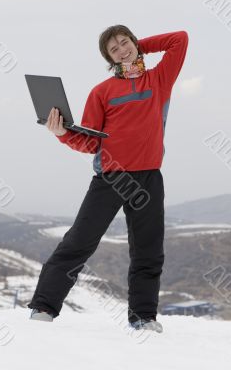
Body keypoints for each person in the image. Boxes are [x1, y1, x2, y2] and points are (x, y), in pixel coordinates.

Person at [27, 25, 188, 332]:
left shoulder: (159, 78)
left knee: (148, 251)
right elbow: (89, 141)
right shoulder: (101, 92)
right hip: (110, 178)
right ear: (108, 59)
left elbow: (179, 39)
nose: (122, 50)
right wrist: (62, 133)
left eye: (125, 43)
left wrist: (140, 46)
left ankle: (143, 318)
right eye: (114, 50)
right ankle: (43, 307)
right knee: (79, 242)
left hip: (149, 177)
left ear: (135, 43)